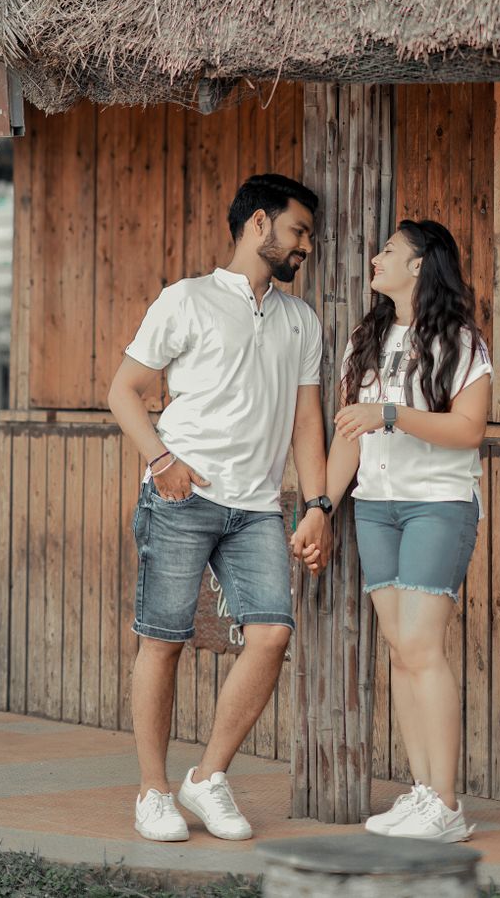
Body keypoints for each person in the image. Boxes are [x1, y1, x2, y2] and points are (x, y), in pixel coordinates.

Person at [109, 173, 332, 844]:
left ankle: (206, 778)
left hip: (259, 507)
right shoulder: (187, 300)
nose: (306, 248)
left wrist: (317, 505)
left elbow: (306, 426)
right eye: (299, 232)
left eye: (311, 238)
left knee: (270, 635)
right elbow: (124, 391)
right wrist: (160, 459)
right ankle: (153, 791)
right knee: (163, 640)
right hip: (182, 496)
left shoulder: (301, 320)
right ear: (258, 225)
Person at [299, 219, 492, 843]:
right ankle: (422, 791)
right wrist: (323, 507)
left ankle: (447, 804)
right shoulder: (369, 335)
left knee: (423, 649)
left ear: (420, 265)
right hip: (376, 507)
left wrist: (392, 413)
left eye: (388, 250)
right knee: (400, 652)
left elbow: (467, 431)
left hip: (437, 504)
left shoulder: (460, 340)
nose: (375, 257)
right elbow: (349, 435)